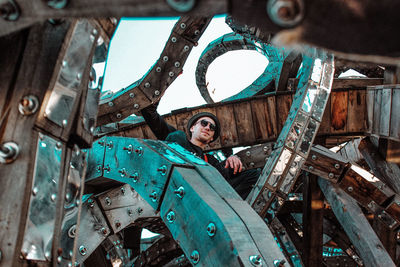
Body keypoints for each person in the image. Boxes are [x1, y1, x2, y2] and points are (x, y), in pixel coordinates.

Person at [141, 104, 260, 199]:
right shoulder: (178, 139)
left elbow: (228, 176)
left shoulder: (211, 161)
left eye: (212, 128)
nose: (207, 127)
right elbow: (149, 113)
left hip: (210, 196)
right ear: (192, 128)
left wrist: (233, 158)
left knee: (253, 174)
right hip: (178, 189)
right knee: (177, 135)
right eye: (204, 123)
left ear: (211, 138)